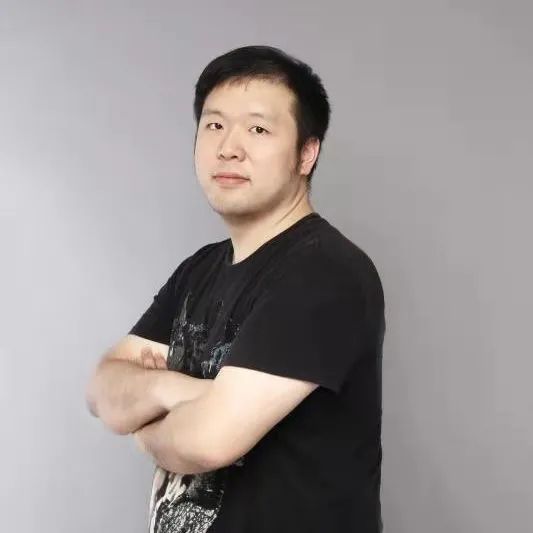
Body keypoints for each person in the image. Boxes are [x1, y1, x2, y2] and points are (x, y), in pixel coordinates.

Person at [86, 44, 386, 533]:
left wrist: (143, 428)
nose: (229, 147)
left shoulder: (325, 272)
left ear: (306, 153)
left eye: (258, 129)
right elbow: (103, 388)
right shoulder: (199, 269)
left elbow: (209, 441)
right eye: (214, 125)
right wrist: (174, 388)